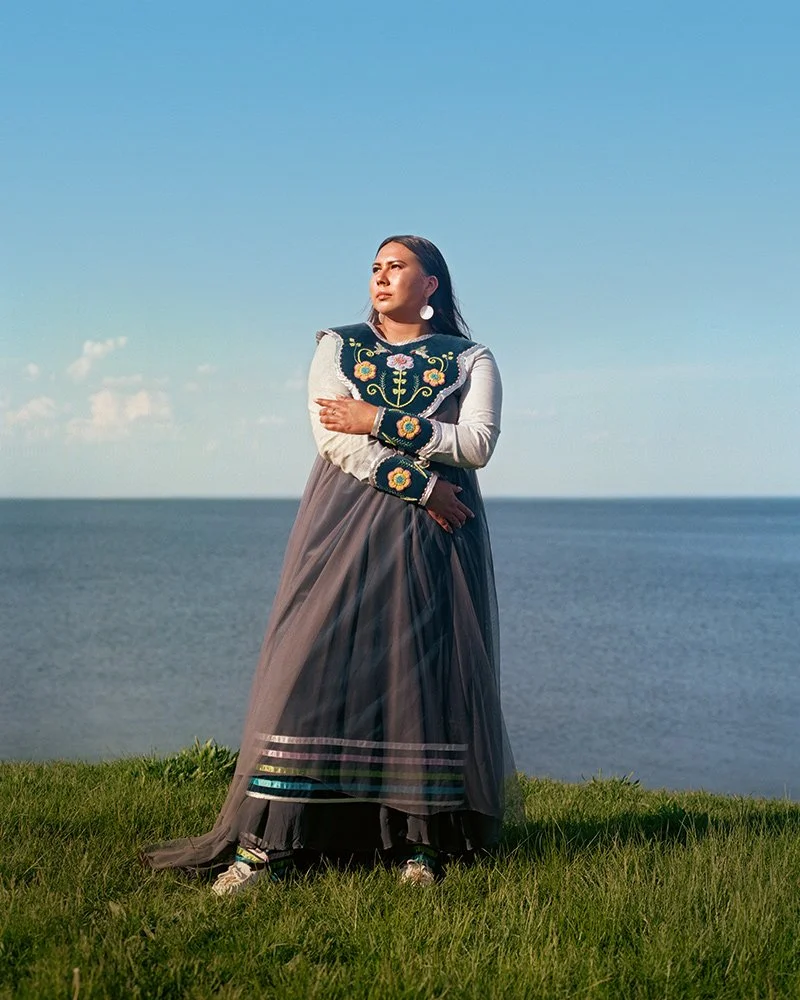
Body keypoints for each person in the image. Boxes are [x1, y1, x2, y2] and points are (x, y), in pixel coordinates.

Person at [142, 235, 515, 893]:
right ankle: (270, 846)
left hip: (437, 535)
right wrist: (423, 484)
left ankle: (422, 844)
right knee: (313, 665)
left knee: (423, 674)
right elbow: (333, 440)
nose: (381, 277)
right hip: (350, 518)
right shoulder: (338, 347)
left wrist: (375, 416)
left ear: (431, 284)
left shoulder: (470, 358)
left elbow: (477, 444)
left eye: (396, 266)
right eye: (375, 267)